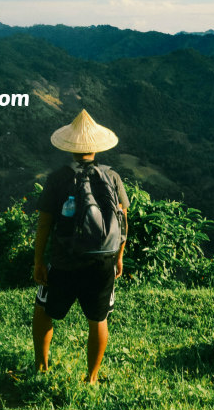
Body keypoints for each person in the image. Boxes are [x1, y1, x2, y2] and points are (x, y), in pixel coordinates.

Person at [33, 109, 129, 384]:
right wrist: (119, 256)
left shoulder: (59, 177)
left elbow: (44, 225)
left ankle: (41, 367)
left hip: (64, 260)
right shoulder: (112, 176)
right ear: (96, 148)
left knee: (43, 310)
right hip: (104, 260)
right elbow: (123, 221)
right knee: (98, 320)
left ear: (71, 148)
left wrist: (39, 261)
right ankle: (92, 378)